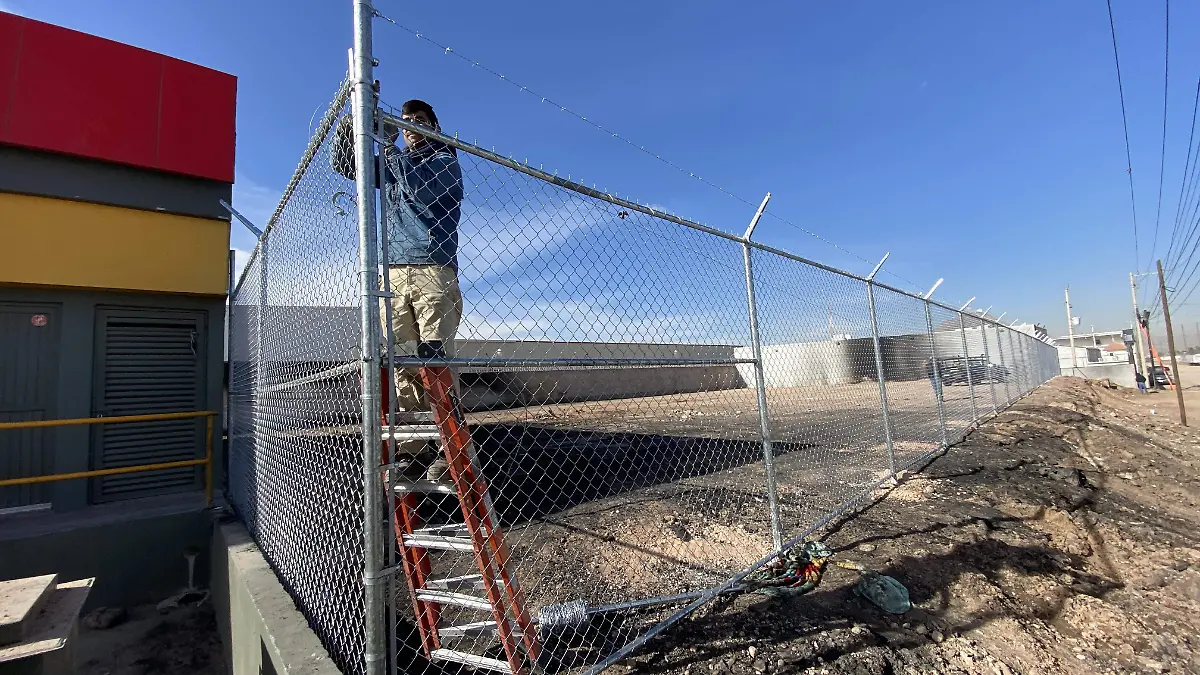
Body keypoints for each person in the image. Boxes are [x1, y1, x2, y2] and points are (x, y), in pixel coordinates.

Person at [331, 99, 464, 481]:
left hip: (431, 268)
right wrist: (353, 120)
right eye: (403, 122)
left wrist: (388, 145)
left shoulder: (444, 162)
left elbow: (421, 192)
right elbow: (345, 164)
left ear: (434, 127)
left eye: (418, 121)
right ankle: (412, 450)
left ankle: (446, 445)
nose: (409, 127)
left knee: (434, 359)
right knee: (403, 363)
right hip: (391, 273)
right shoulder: (393, 164)